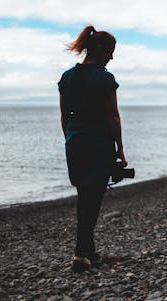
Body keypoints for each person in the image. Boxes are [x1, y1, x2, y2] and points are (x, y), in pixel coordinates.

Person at [58, 25, 127, 273]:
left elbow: (65, 115)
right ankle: (80, 254)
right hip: (99, 142)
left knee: (83, 197)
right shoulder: (105, 78)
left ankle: (88, 252)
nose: (112, 57)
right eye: (111, 51)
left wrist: (71, 138)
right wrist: (120, 149)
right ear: (102, 50)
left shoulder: (67, 77)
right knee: (93, 199)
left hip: (75, 142)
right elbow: (113, 116)